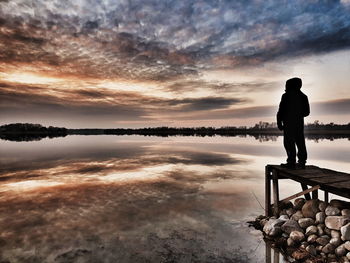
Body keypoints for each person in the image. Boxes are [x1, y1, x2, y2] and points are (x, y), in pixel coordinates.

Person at [277, 77, 310, 169]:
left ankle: (291, 162)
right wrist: (298, 114)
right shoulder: (303, 96)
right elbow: (307, 112)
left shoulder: (286, 96)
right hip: (299, 123)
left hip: (288, 123)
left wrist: (279, 122)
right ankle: (302, 162)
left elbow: (281, 111)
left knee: (289, 143)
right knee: (300, 142)